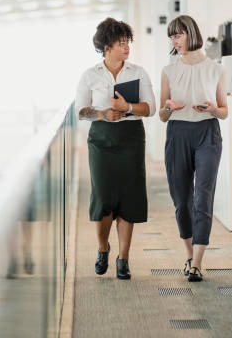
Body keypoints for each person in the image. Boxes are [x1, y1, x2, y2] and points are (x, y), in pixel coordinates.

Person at [75, 17, 156, 280]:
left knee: (129, 199)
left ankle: (123, 258)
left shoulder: (138, 72)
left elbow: (150, 108)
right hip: (101, 140)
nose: (126, 47)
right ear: (106, 46)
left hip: (131, 138)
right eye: (121, 43)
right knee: (103, 199)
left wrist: (127, 108)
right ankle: (103, 248)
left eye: (127, 42)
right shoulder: (90, 75)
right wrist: (102, 114)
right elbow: (81, 111)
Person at [159, 15, 228, 282]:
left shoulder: (216, 68)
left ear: (190, 34)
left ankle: (197, 262)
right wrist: (167, 108)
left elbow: (224, 111)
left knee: (203, 197)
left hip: (208, 133)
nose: (174, 41)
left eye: (178, 35)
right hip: (177, 134)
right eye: (171, 37)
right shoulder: (169, 70)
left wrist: (212, 108)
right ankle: (188, 254)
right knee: (181, 201)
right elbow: (162, 116)